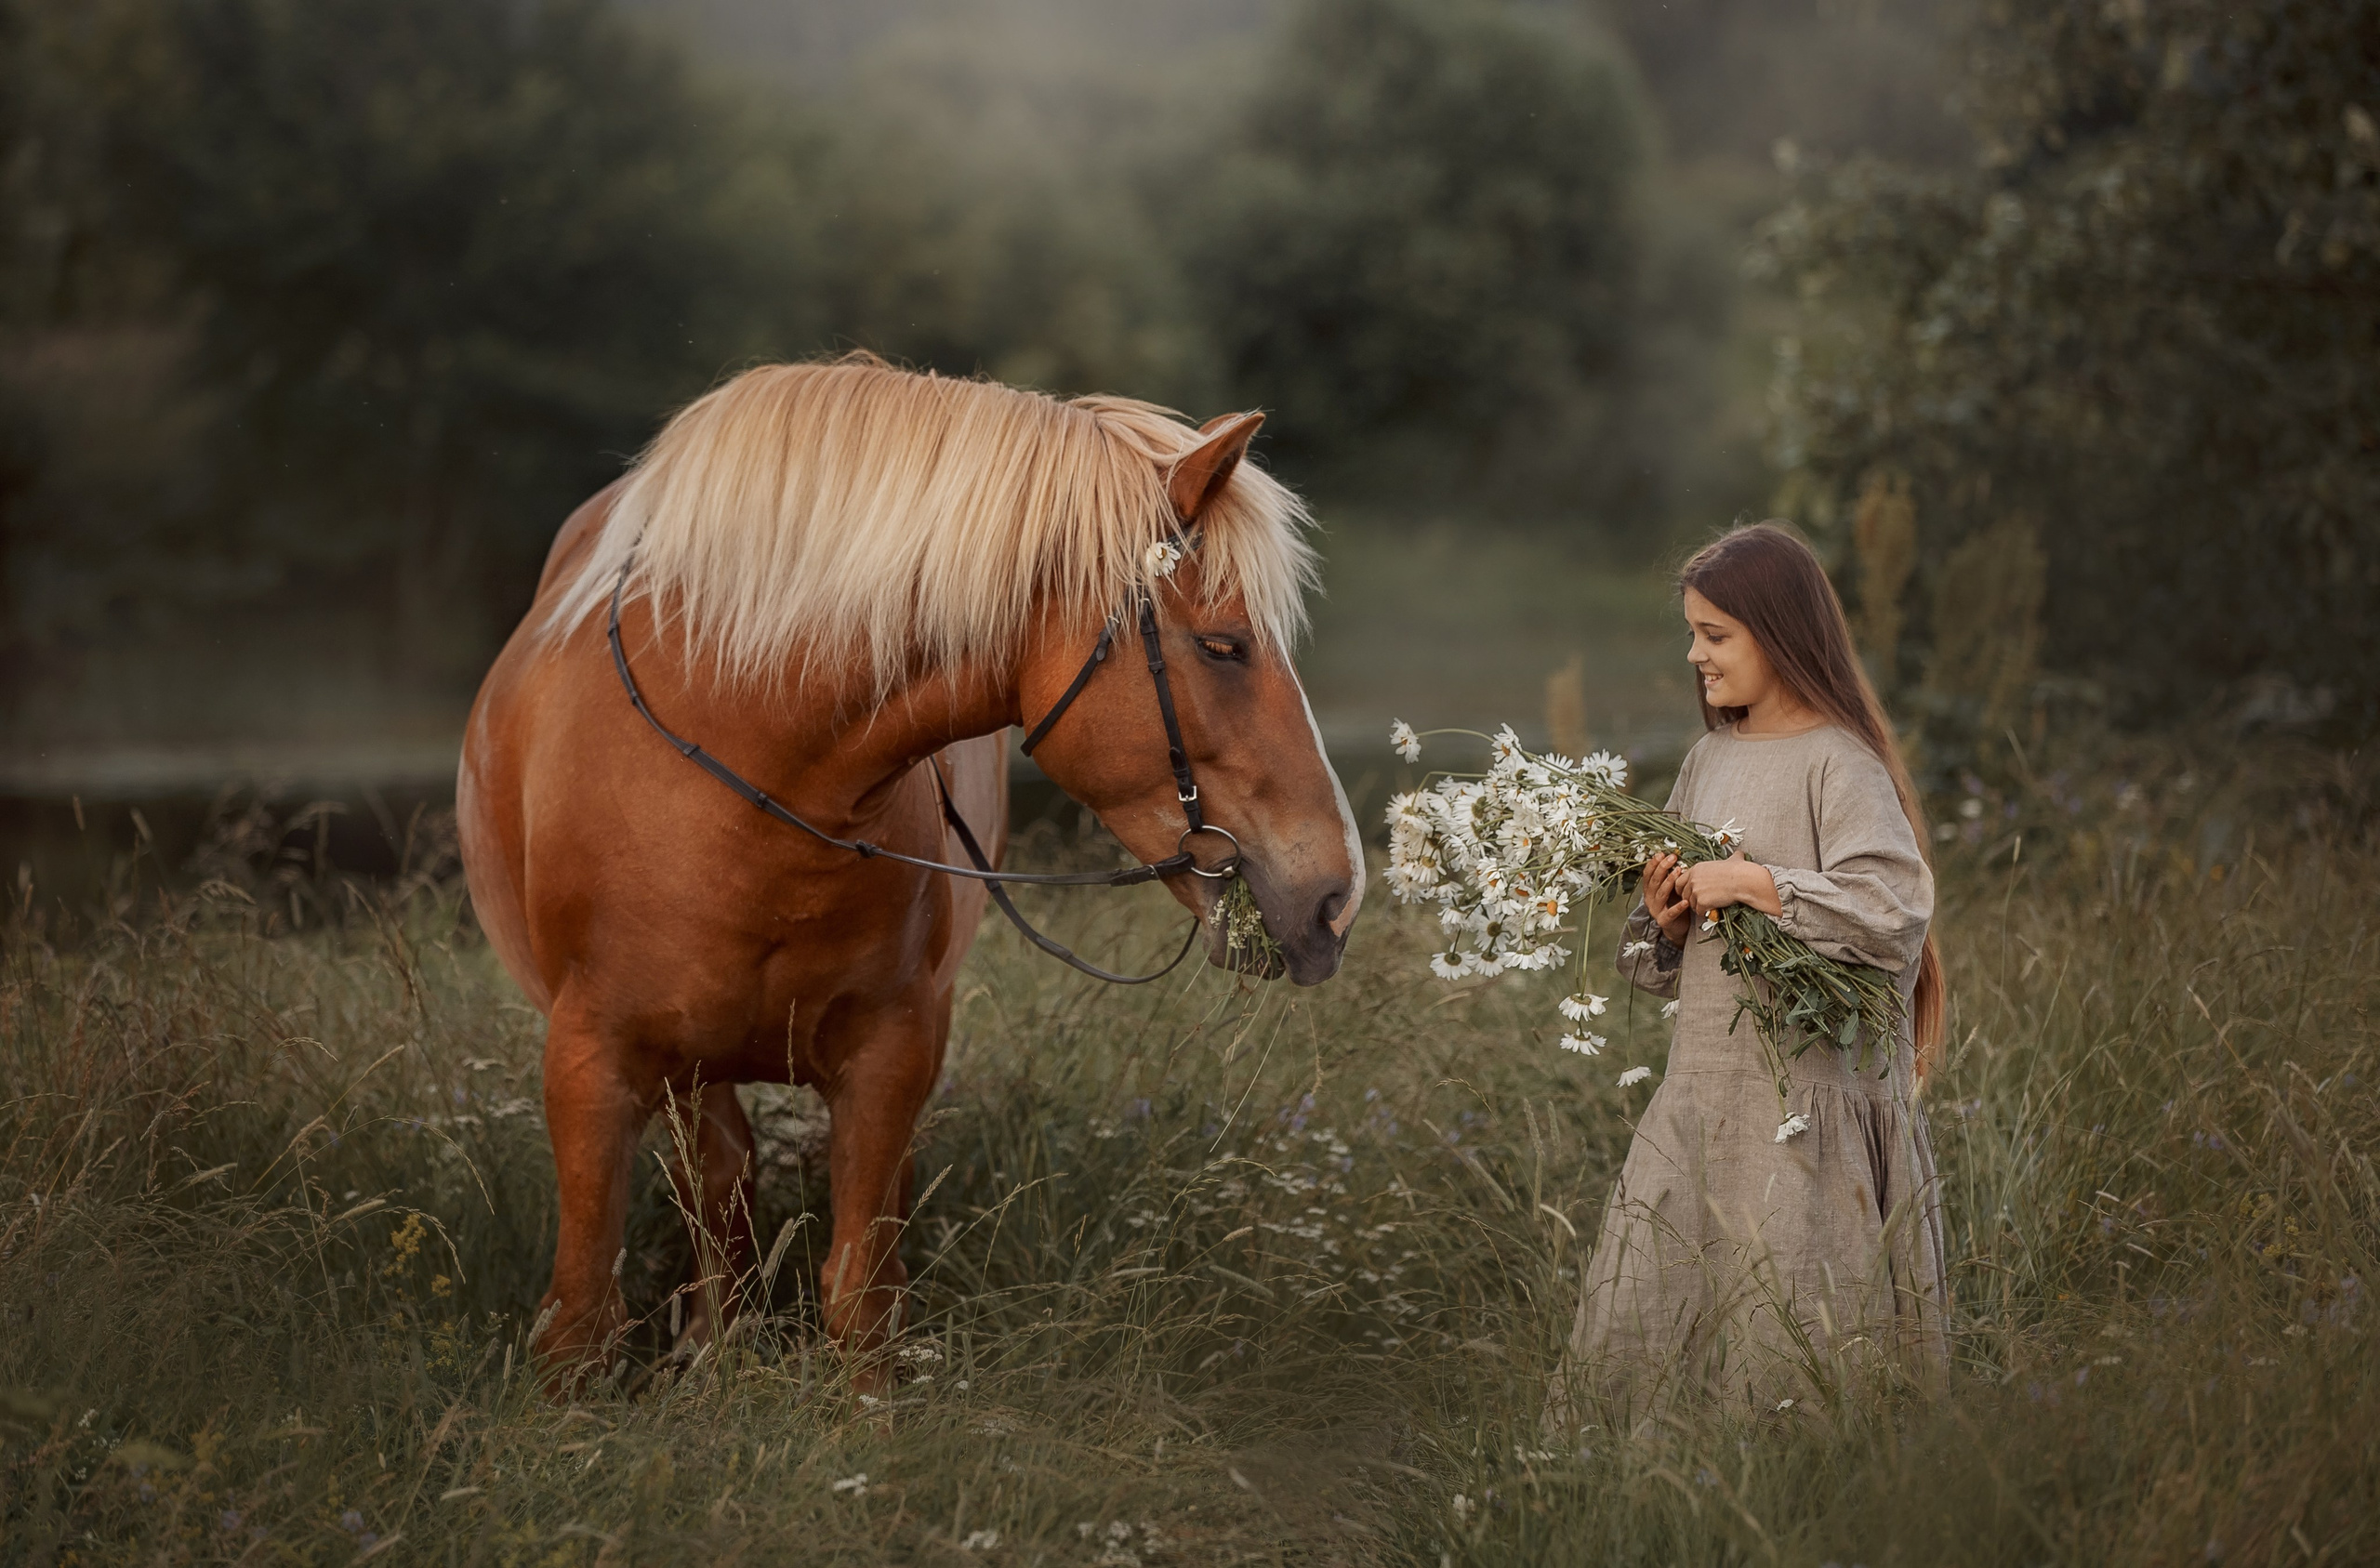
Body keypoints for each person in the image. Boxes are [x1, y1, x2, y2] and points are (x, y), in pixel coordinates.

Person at [1553, 520, 1949, 1423]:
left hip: (1803, 1110)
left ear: (1780, 633)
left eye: (1715, 634)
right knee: (1654, 1316)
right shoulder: (1706, 760)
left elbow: (1891, 914)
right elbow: (1652, 967)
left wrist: (1760, 885)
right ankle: (1655, 1497)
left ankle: (1795, 1493)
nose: (1694, 654)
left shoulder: (1839, 765)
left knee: (1792, 1331)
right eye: (1692, 632)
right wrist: (1666, 919)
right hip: (1704, 1097)